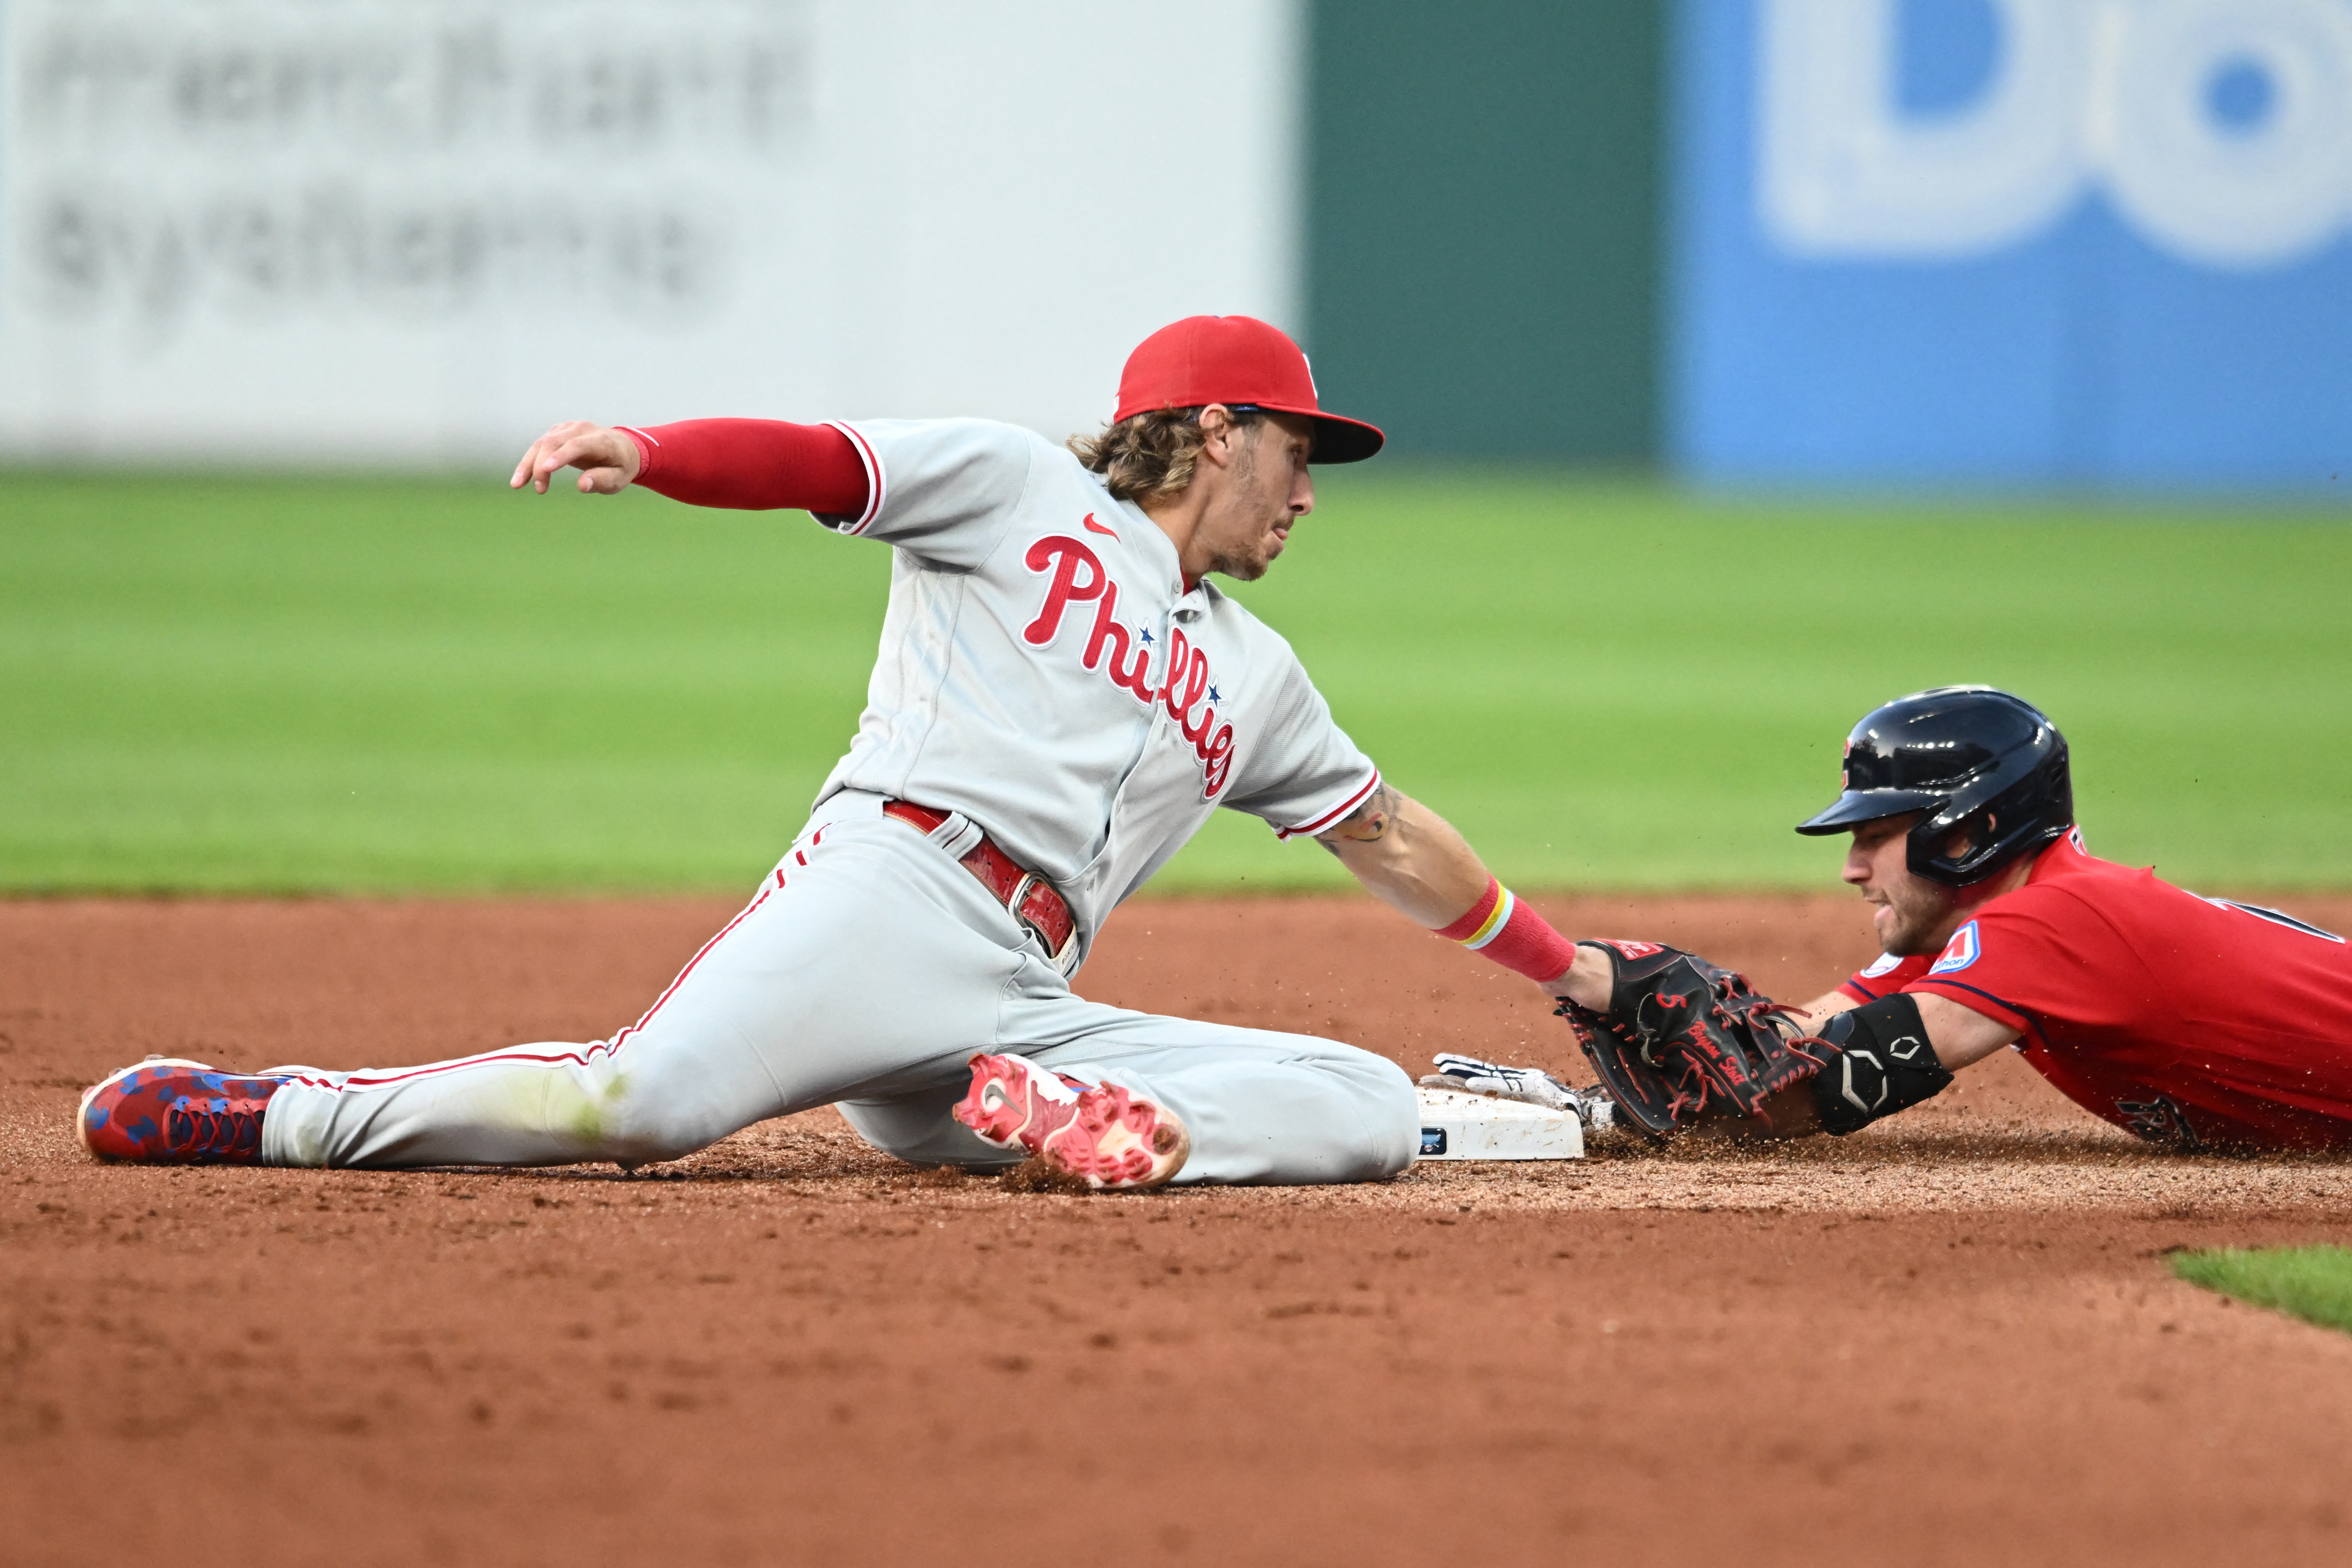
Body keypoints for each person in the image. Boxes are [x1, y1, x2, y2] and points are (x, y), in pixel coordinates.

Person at [77, 315, 1603, 1188]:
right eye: (1297, 447)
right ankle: (266, 1111)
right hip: (889, 894)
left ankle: (1091, 1130)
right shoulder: (1018, 492)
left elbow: (1388, 833)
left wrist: (1578, 973)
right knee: (638, 1108)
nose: (1311, 488)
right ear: (1212, 430)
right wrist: (656, 450)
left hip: (1019, 1003)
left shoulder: (1255, 673)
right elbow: (824, 462)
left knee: (1355, 1106)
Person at [1557, 685, 2352, 1151]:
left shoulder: (2060, 920)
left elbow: (1830, 1082)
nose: (1852, 868)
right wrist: (1587, 1099)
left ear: (1967, 833)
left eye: (1876, 836)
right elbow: (1799, 1036)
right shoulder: (1981, 926)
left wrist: (1639, 1095)